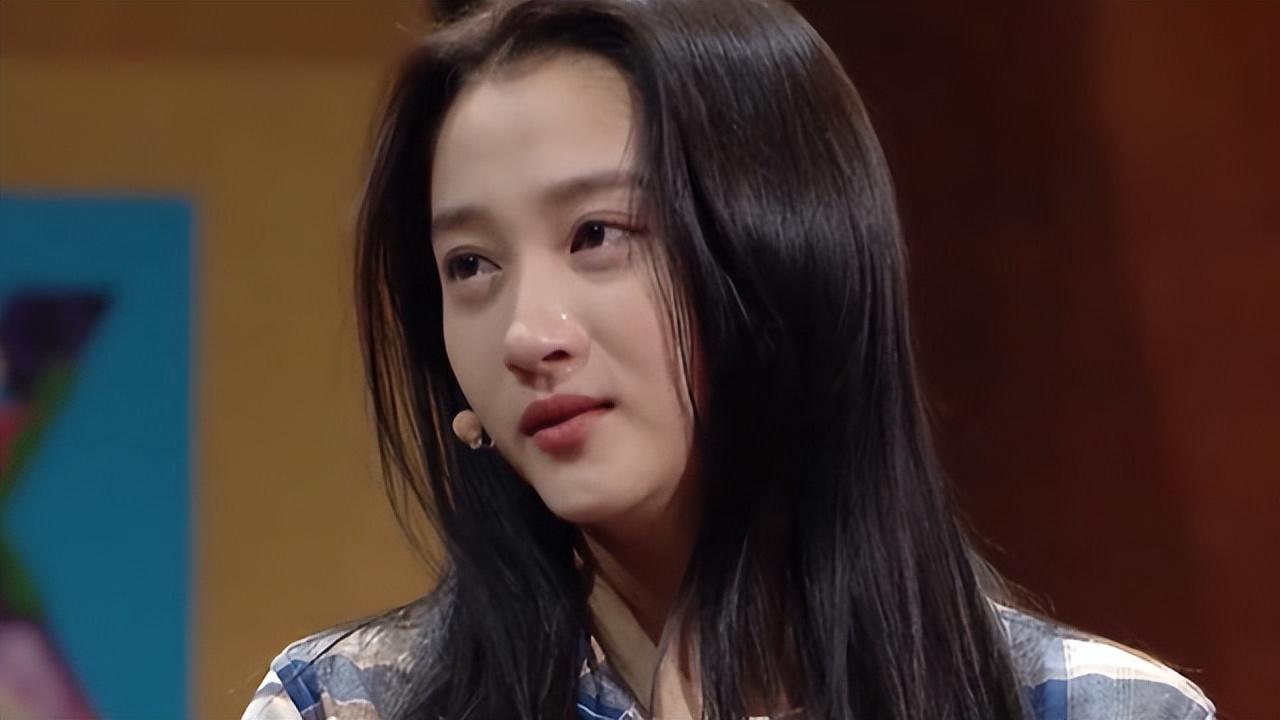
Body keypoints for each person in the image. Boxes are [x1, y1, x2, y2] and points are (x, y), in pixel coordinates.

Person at [242, 1, 1215, 718]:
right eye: (469, 266)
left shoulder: (1100, 710)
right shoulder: (344, 704)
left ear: (787, 255)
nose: (526, 335)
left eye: (596, 235)